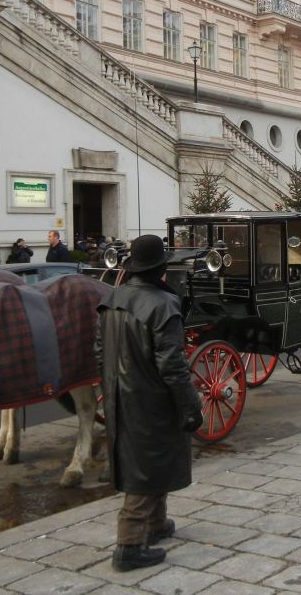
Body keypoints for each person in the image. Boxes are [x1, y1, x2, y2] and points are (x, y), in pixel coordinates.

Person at [96, 235, 203, 571]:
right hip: (151, 397)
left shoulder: (113, 298)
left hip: (119, 394)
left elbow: (99, 351)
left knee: (149, 459)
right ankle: (129, 545)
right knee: (147, 464)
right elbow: (172, 365)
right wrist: (190, 405)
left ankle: (156, 524)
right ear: (160, 269)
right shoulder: (163, 305)